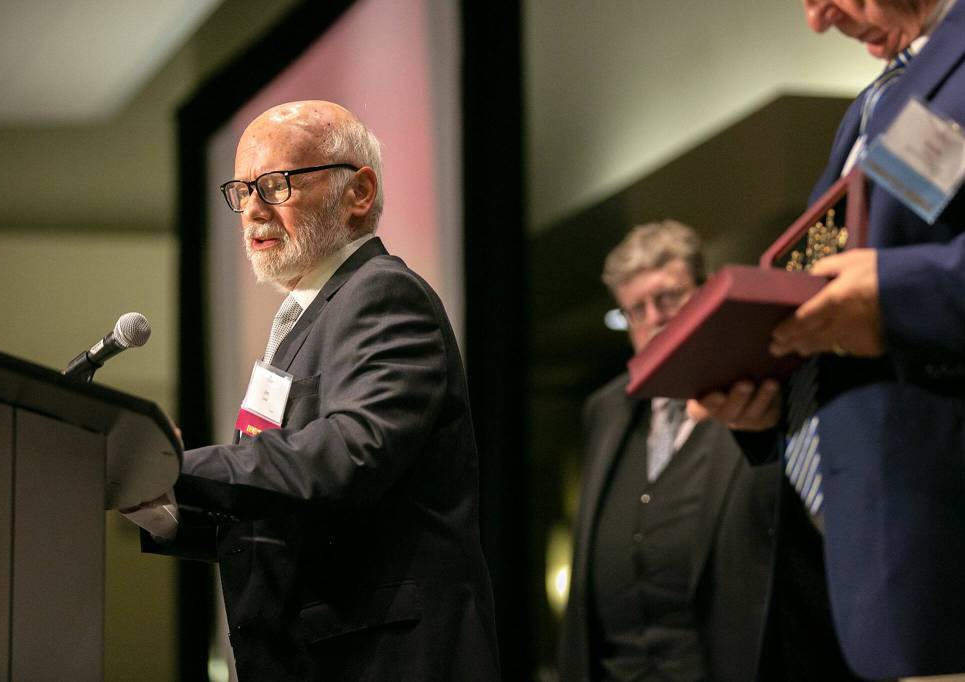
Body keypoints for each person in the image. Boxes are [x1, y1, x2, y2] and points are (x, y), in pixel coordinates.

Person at [692, 0, 965, 678]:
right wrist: (765, 398)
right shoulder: (876, 106)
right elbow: (852, 283)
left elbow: (892, 285)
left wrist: (899, 296)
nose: (816, 20)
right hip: (880, 566)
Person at [137, 101, 500, 681]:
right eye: (241, 189)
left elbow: (350, 454)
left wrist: (170, 465)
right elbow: (290, 514)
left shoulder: (381, 294)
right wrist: (163, 512)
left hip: (382, 659)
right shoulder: (304, 319)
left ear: (358, 192)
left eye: (275, 185)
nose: (252, 209)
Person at [559, 221, 801, 682]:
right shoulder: (606, 410)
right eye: (636, 309)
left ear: (705, 292)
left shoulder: (759, 391)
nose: (655, 318)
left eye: (668, 298)